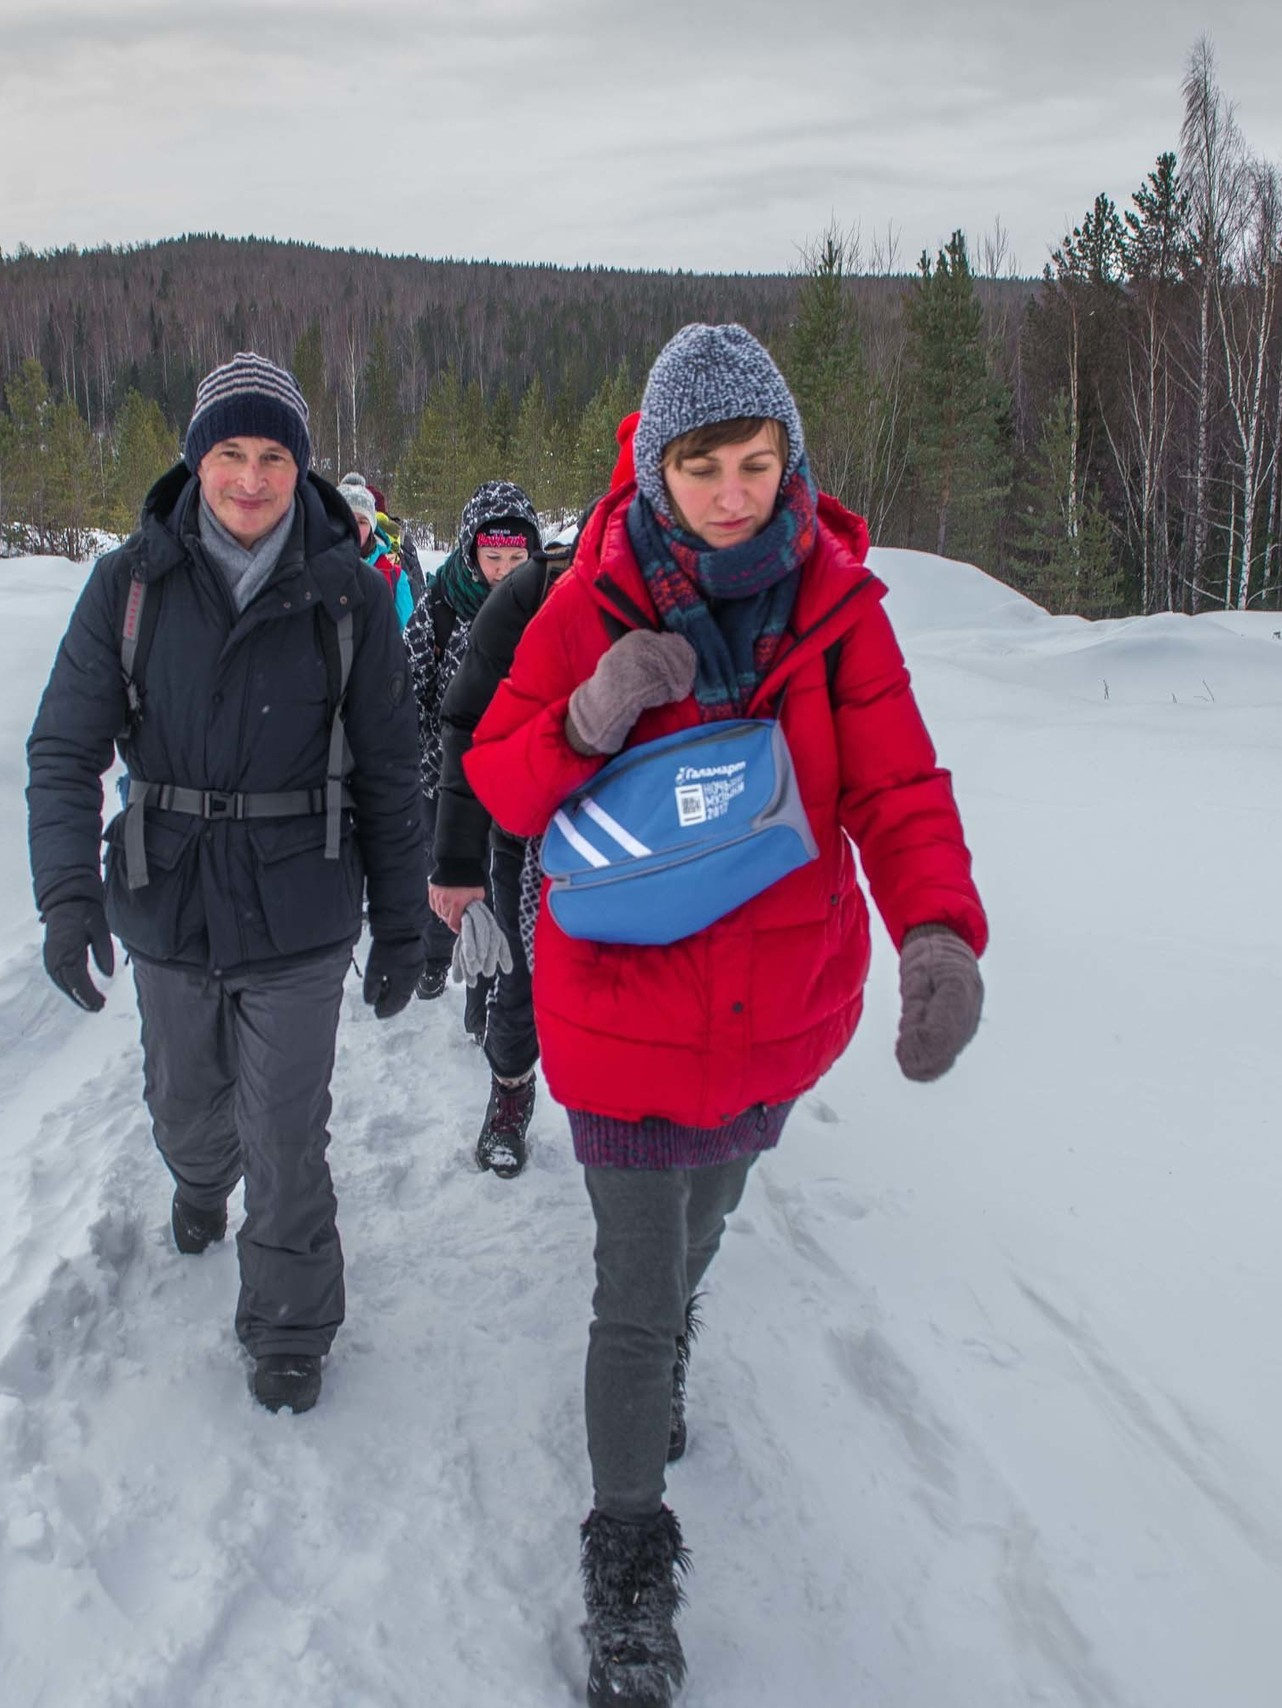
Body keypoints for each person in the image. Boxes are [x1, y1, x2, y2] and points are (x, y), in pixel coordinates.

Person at [464, 325, 988, 1706]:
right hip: (623, 1016)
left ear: (790, 458)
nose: (734, 494)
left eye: (758, 463)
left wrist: (938, 932)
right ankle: (628, 1568)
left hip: (778, 1018)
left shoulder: (837, 608)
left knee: (703, 1237)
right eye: (704, 468)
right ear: (657, 467)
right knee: (637, 1298)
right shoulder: (587, 601)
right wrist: (591, 711)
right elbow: (502, 781)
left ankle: (672, 1346)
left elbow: (898, 789)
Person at [25, 351, 427, 1416]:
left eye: (274, 457)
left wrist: (402, 924)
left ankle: (290, 1324)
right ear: (196, 459)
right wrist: (67, 896)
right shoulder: (130, 586)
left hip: (300, 907)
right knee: (186, 1109)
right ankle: (201, 1181)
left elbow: (391, 768)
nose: (251, 479)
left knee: (285, 1133)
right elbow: (63, 750)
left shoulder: (348, 594)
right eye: (231, 454)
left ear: (302, 467)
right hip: (168, 899)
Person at [427, 479, 582, 1177]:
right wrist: (454, 861)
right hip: (521, 822)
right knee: (517, 972)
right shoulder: (531, 595)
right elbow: (461, 721)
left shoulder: (684, 597)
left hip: (631, 837)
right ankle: (510, 1093)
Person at [408, 480, 542, 1009]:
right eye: (493, 558)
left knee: (500, 890)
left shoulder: (542, 605)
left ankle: (483, 998)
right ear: (471, 552)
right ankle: (436, 955)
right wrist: (418, 752)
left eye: (516, 558)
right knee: (448, 877)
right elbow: (408, 686)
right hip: (444, 778)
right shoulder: (441, 605)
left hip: (512, 780)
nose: (505, 571)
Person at [337, 472, 419, 629]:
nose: (354, 527)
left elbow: (405, 633)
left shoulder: (394, 575)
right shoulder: (315, 566)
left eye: (362, 521)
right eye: (348, 519)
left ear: (372, 526)